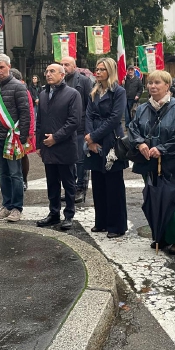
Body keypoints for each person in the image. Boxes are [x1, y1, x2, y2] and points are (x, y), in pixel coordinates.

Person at [129, 70, 175, 254]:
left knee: (173, 200)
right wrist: (139, 143)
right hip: (148, 163)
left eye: (157, 83)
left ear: (167, 85)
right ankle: (160, 236)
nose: (152, 86)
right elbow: (133, 128)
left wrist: (162, 149)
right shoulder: (142, 109)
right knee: (152, 199)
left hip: (172, 163)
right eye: (150, 83)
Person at [84, 57, 128, 239]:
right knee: (98, 184)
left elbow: (115, 118)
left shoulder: (118, 91)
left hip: (111, 141)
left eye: (102, 69)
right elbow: (87, 115)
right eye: (97, 68)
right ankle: (101, 222)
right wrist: (90, 140)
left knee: (114, 185)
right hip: (94, 142)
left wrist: (94, 136)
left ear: (110, 71)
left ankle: (116, 226)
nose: (98, 72)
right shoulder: (94, 91)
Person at [0, 54, 31, 223]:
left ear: (9, 67)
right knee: (2, 174)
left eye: (1, 67)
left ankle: (17, 207)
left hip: (12, 138)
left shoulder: (19, 87)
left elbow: (25, 114)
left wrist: (23, 137)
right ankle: (7, 205)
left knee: (15, 173)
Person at [35, 63, 81, 230]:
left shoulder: (72, 94)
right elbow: (39, 122)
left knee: (69, 183)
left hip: (65, 146)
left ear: (62, 75)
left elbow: (74, 121)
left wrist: (56, 137)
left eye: (52, 71)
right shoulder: (43, 94)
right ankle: (53, 213)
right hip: (48, 147)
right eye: (46, 71)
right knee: (52, 183)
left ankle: (69, 215)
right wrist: (39, 144)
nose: (48, 74)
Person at [60, 56, 94, 203]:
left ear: (74, 66)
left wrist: (88, 128)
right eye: (61, 64)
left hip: (80, 127)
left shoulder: (84, 81)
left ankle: (81, 188)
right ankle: (71, 188)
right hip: (64, 127)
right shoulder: (58, 82)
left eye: (66, 64)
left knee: (81, 160)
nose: (64, 67)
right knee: (68, 160)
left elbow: (90, 105)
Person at [10, 68, 37, 191]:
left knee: (22, 156)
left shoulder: (24, 91)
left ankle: (24, 179)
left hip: (21, 129)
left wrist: (30, 132)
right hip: (9, 129)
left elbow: (30, 112)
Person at [122, 65, 143, 130]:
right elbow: (121, 88)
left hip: (134, 99)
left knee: (133, 112)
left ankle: (133, 125)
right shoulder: (125, 79)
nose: (130, 71)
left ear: (134, 71)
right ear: (127, 71)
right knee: (126, 113)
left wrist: (138, 95)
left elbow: (140, 89)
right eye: (129, 70)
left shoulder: (138, 80)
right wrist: (122, 84)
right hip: (126, 98)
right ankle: (127, 126)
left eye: (132, 70)